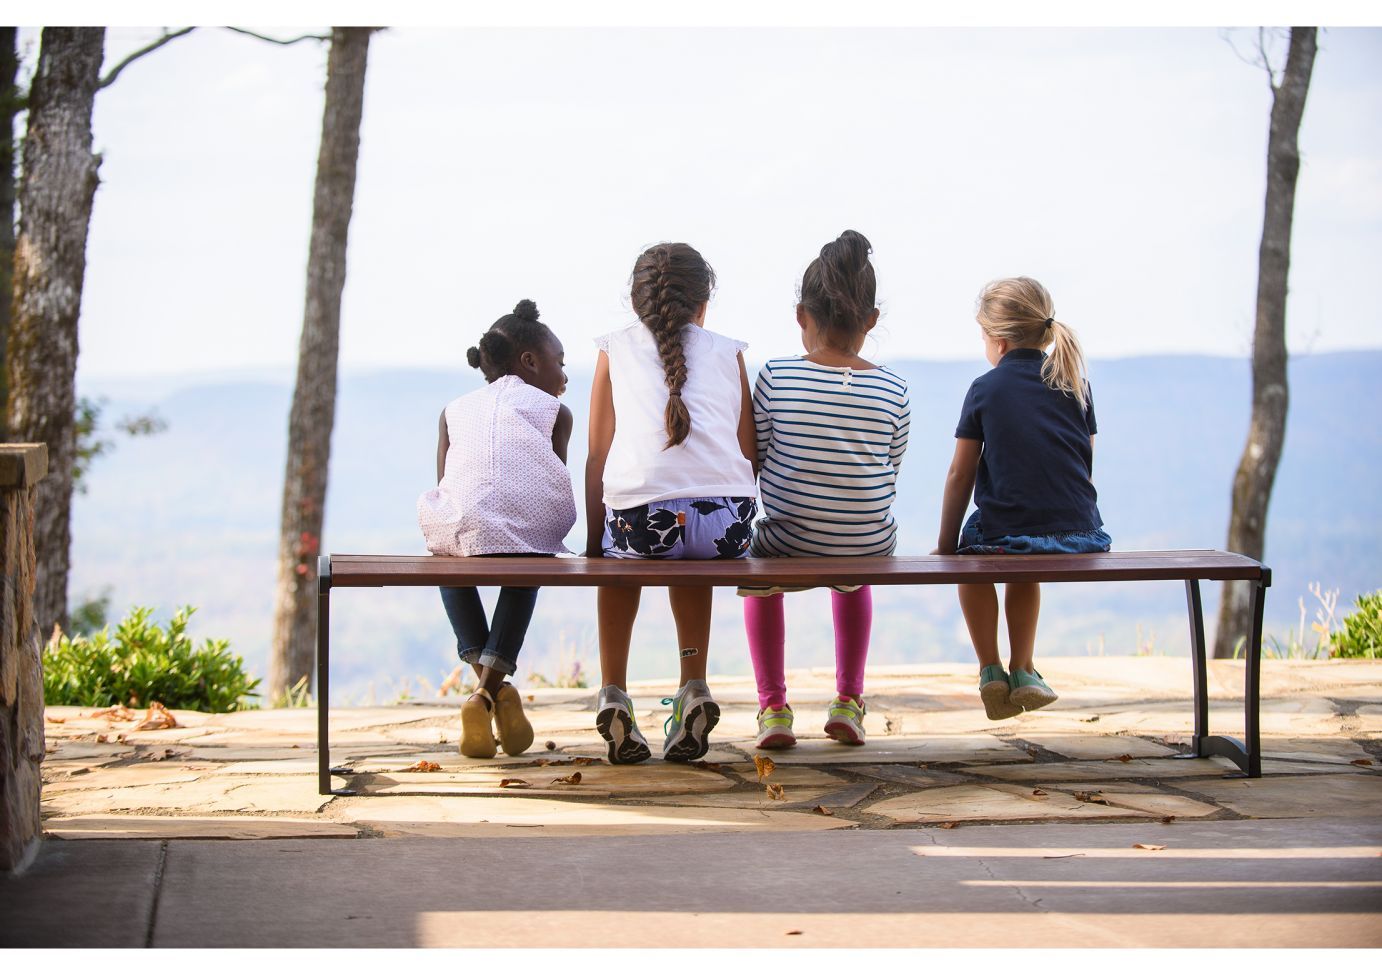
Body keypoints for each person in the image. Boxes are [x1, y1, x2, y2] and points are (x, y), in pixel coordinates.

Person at [586, 243, 758, 764]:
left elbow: (597, 456)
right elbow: (748, 453)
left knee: (621, 562)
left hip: (642, 522)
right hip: (727, 523)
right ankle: (693, 684)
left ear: (638, 302)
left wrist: (596, 542)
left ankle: (614, 690)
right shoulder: (729, 351)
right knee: (693, 547)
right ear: (703, 304)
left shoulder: (613, 349)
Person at [741, 230, 911, 750]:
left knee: (759, 568)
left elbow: (760, 457)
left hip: (787, 540)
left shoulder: (775, 376)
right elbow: (890, 469)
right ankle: (848, 701)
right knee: (855, 568)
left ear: (801, 315)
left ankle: (773, 708)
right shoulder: (895, 388)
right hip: (866, 544)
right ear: (871, 321)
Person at [933, 277, 1111, 720]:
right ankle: (1025, 667)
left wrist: (945, 543)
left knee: (976, 551)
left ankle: (991, 668)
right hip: (1080, 533)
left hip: (1013, 531)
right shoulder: (1076, 383)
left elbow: (961, 473)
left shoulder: (985, 388)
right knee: (1024, 545)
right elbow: (1083, 460)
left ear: (998, 340)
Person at [417, 299, 576, 758]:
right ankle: (489, 694)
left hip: (459, 525)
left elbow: (446, 483)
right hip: (526, 531)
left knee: (449, 555)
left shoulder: (452, 409)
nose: (564, 377)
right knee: (528, 560)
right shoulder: (555, 411)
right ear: (529, 362)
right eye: (559, 364)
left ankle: (484, 688)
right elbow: (550, 481)